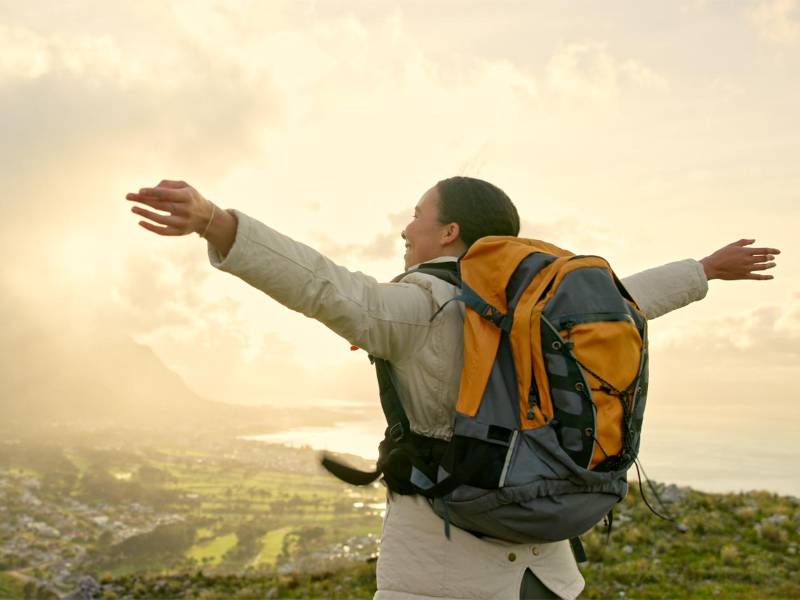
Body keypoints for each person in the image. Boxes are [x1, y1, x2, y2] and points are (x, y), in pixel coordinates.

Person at [126, 177, 779, 599]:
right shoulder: (546, 305)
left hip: (441, 579)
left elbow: (328, 287)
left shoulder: (421, 306)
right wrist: (705, 270)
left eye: (415, 217)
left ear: (450, 234)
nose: (403, 230)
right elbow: (628, 299)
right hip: (551, 572)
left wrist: (217, 222)